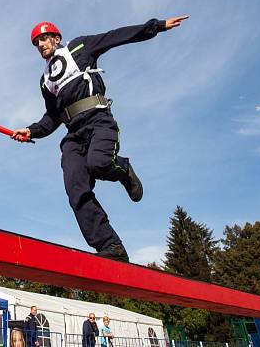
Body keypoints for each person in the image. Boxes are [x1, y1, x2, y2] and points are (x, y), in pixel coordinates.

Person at [12, 17, 189, 261]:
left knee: (99, 163)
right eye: (36, 43)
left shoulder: (79, 48)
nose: (41, 44)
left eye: (44, 38)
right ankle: (111, 246)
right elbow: (52, 118)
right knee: (75, 187)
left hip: (98, 121)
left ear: (56, 38)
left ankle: (123, 169)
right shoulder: (45, 81)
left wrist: (155, 26)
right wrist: (31, 131)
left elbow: (115, 36)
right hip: (74, 134)